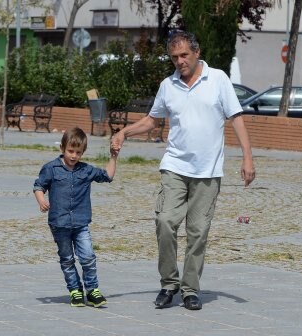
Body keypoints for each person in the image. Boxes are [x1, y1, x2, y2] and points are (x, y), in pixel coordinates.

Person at [111, 31, 255, 310]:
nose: (179, 61)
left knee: (198, 231)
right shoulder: (168, 85)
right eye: (174, 57)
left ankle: (190, 289)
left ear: (196, 52)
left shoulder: (218, 80)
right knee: (165, 222)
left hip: (208, 171)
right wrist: (124, 132)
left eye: (184, 55)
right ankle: (168, 283)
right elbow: (153, 120)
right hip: (174, 167)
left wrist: (247, 157)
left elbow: (236, 118)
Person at [34, 127, 118, 308]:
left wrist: (113, 156)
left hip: (81, 223)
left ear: (83, 152)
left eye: (78, 152)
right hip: (59, 223)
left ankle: (92, 290)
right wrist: (41, 201)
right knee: (67, 259)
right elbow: (39, 186)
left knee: (88, 256)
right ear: (62, 148)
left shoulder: (86, 170)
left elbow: (108, 176)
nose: (73, 156)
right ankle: (75, 291)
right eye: (70, 151)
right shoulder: (51, 168)